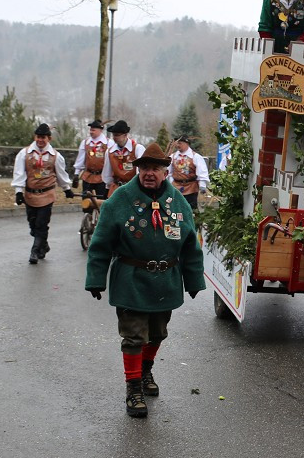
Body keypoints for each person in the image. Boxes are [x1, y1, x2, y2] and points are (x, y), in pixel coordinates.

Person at [84, 143, 206, 418]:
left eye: (156, 168)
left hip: (166, 281)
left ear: (165, 171)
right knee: (134, 336)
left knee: (157, 333)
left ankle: (146, 370)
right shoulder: (120, 200)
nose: (149, 173)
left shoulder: (178, 202)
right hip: (131, 279)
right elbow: (101, 243)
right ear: (138, 170)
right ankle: (134, 388)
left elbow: (190, 246)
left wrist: (194, 280)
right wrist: (95, 278)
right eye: (145, 168)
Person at [11, 123, 74, 264]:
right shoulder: (24, 154)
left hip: (47, 194)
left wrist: (66, 189)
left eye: (43, 138)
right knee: (32, 224)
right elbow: (19, 173)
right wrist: (18, 192)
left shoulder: (56, 156)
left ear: (49, 139)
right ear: (35, 137)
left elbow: (61, 174)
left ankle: (34, 251)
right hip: (30, 194)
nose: (40, 140)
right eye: (38, 137)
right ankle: (43, 245)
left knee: (41, 223)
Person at [102, 120, 145, 196]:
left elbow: (141, 172)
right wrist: (107, 189)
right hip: (116, 190)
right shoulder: (110, 152)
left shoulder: (138, 149)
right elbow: (107, 174)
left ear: (125, 135)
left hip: (133, 189)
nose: (114, 137)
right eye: (113, 135)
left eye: (117, 135)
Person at [168, 136, 209, 210]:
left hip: (191, 188)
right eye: (177, 143)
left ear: (186, 144)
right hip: (176, 188)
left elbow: (202, 173)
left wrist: (202, 186)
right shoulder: (173, 157)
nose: (177, 145)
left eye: (180, 143)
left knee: (190, 209)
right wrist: (171, 182)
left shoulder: (195, 157)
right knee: (176, 209)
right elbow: (168, 172)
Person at [73, 119, 109, 199]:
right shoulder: (85, 142)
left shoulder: (108, 143)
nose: (91, 132)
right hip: (88, 176)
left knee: (102, 202)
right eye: (90, 130)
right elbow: (80, 159)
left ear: (100, 130)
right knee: (86, 202)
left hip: (102, 177)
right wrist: (76, 174)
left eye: (93, 130)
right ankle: (87, 212)